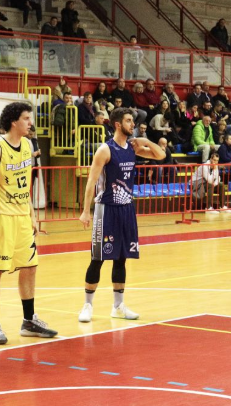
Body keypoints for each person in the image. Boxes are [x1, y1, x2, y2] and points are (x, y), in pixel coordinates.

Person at [0, 102, 58, 345]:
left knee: (30, 267)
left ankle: (29, 320)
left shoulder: (28, 145)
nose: (30, 123)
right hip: (0, 217)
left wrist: (31, 214)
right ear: (14, 121)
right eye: (26, 118)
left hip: (22, 216)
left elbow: (24, 182)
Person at [77, 108, 165, 323]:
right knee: (97, 259)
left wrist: (144, 139)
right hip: (106, 209)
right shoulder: (105, 150)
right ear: (117, 124)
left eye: (132, 121)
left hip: (126, 209)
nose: (132, 124)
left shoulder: (132, 148)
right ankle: (87, 305)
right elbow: (91, 182)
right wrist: (85, 211)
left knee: (121, 258)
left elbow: (160, 155)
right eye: (128, 121)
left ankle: (118, 306)